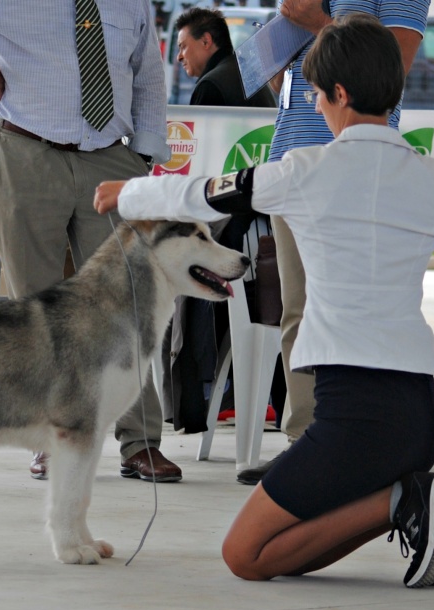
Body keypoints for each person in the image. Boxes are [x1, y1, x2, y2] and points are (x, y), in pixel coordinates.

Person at [94, 13, 434, 587]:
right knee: (280, 547)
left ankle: (407, 500)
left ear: (339, 93)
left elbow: (205, 193)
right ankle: (411, 498)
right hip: (417, 419)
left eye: (314, 93)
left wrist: (128, 192)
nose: (312, 106)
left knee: (246, 555)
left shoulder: (302, 170)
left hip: (353, 415)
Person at [0, 0, 183, 482]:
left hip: (110, 157)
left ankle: (140, 441)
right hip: (25, 148)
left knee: (132, 298)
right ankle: (49, 439)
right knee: (33, 305)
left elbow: (147, 73)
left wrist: (144, 153)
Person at [236, 0, 431, 486]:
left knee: (357, 308)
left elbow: (394, 69)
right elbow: (291, 89)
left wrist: (318, 25)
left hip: (358, 167)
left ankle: (360, 439)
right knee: (297, 311)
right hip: (293, 163)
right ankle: (303, 443)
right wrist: (280, 48)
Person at [164, 6, 278, 433]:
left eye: (183, 46)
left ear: (207, 42)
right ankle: (242, 395)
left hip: (234, 228)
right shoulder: (249, 78)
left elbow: (207, 178)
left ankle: (204, 397)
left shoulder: (212, 87)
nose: (179, 57)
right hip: (262, 224)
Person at [176, 7, 277, 107]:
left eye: (183, 47)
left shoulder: (211, 85)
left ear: (205, 41)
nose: (179, 57)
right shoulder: (246, 75)